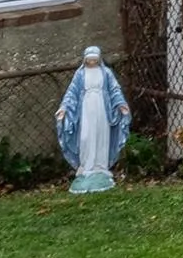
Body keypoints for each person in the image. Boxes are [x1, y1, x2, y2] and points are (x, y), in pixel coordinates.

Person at [55, 46, 130, 193]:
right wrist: (64, 108)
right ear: (85, 59)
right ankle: (86, 165)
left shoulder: (106, 73)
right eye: (89, 59)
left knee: (101, 135)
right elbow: (72, 92)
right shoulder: (80, 74)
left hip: (102, 108)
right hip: (86, 109)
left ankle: (100, 167)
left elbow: (114, 89)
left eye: (95, 59)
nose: (92, 61)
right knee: (86, 136)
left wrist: (121, 104)